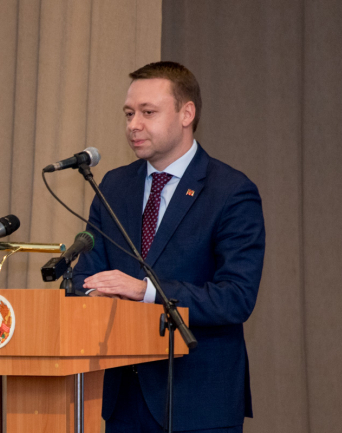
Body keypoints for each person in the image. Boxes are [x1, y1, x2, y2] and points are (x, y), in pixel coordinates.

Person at [72, 61, 265, 433]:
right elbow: (86, 276)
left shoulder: (230, 191)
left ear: (186, 114)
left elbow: (236, 297)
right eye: (129, 113)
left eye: (148, 113)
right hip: (125, 400)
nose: (133, 125)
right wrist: (94, 295)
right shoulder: (113, 186)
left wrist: (145, 291)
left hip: (199, 403)